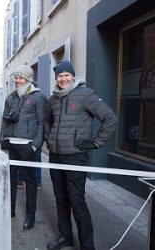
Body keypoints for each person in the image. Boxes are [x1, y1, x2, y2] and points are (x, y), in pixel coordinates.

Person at [45, 60, 116, 250]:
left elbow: (109, 118)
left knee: (77, 200)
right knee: (60, 199)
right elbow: (47, 122)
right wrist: (49, 140)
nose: (63, 79)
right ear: (56, 78)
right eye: (59, 76)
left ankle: (87, 246)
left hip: (75, 156)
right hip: (56, 156)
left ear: (72, 76)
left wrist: (96, 142)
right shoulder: (53, 99)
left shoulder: (86, 95)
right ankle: (65, 237)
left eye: (66, 75)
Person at [0, 65, 47, 230]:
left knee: (30, 181)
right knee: (10, 179)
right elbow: (4, 120)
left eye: (21, 78)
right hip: (10, 144)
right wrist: (2, 139)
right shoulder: (10, 97)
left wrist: (36, 145)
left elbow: (42, 123)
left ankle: (30, 216)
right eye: (16, 78)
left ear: (28, 79)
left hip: (27, 146)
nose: (18, 81)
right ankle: (10, 210)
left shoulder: (38, 97)